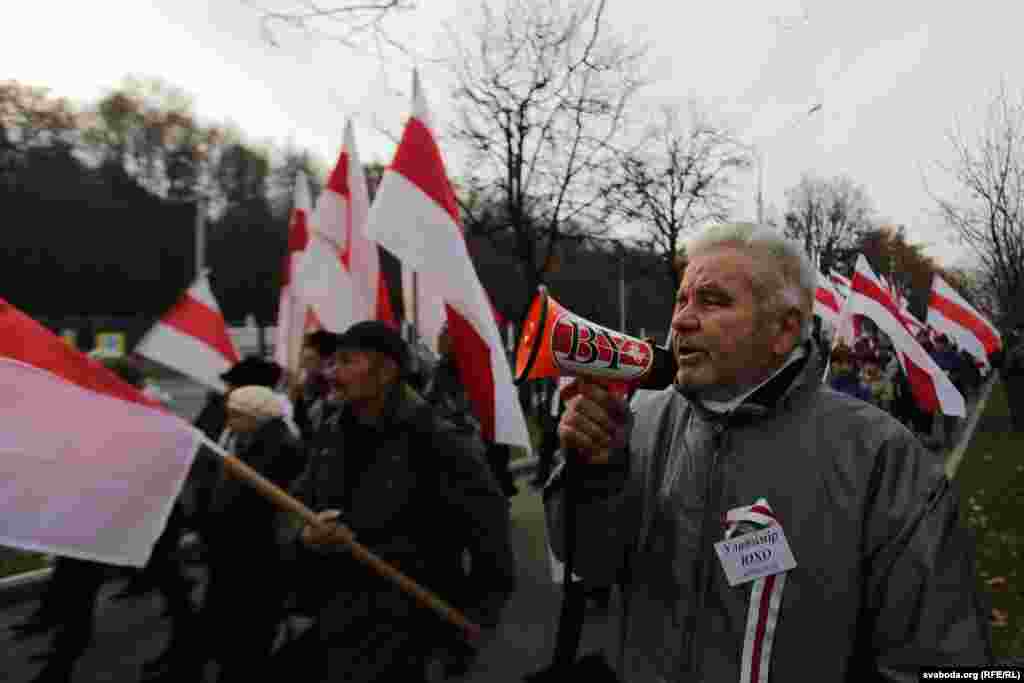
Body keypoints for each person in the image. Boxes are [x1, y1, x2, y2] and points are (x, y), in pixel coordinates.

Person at [546, 222, 992, 682]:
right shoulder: (638, 419)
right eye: (682, 299)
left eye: (713, 300)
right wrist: (596, 476)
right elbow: (591, 564)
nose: (681, 319)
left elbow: (941, 660)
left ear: (784, 329)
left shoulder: (881, 457)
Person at [281, 321, 517, 682]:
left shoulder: (438, 439)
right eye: (332, 363)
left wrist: (471, 623)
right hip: (337, 626)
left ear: (387, 370)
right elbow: (299, 504)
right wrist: (306, 536)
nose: (332, 373)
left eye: (346, 362)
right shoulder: (330, 435)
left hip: (414, 635)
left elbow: (491, 533)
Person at [147, 385, 307, 682]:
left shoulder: (277, 446)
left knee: (246, 629)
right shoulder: (254, 438)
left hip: (255, 556)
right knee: (224, 621)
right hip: (236, 552)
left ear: (254, 416)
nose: (229, 421)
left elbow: (245, 501)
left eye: (235, 415)